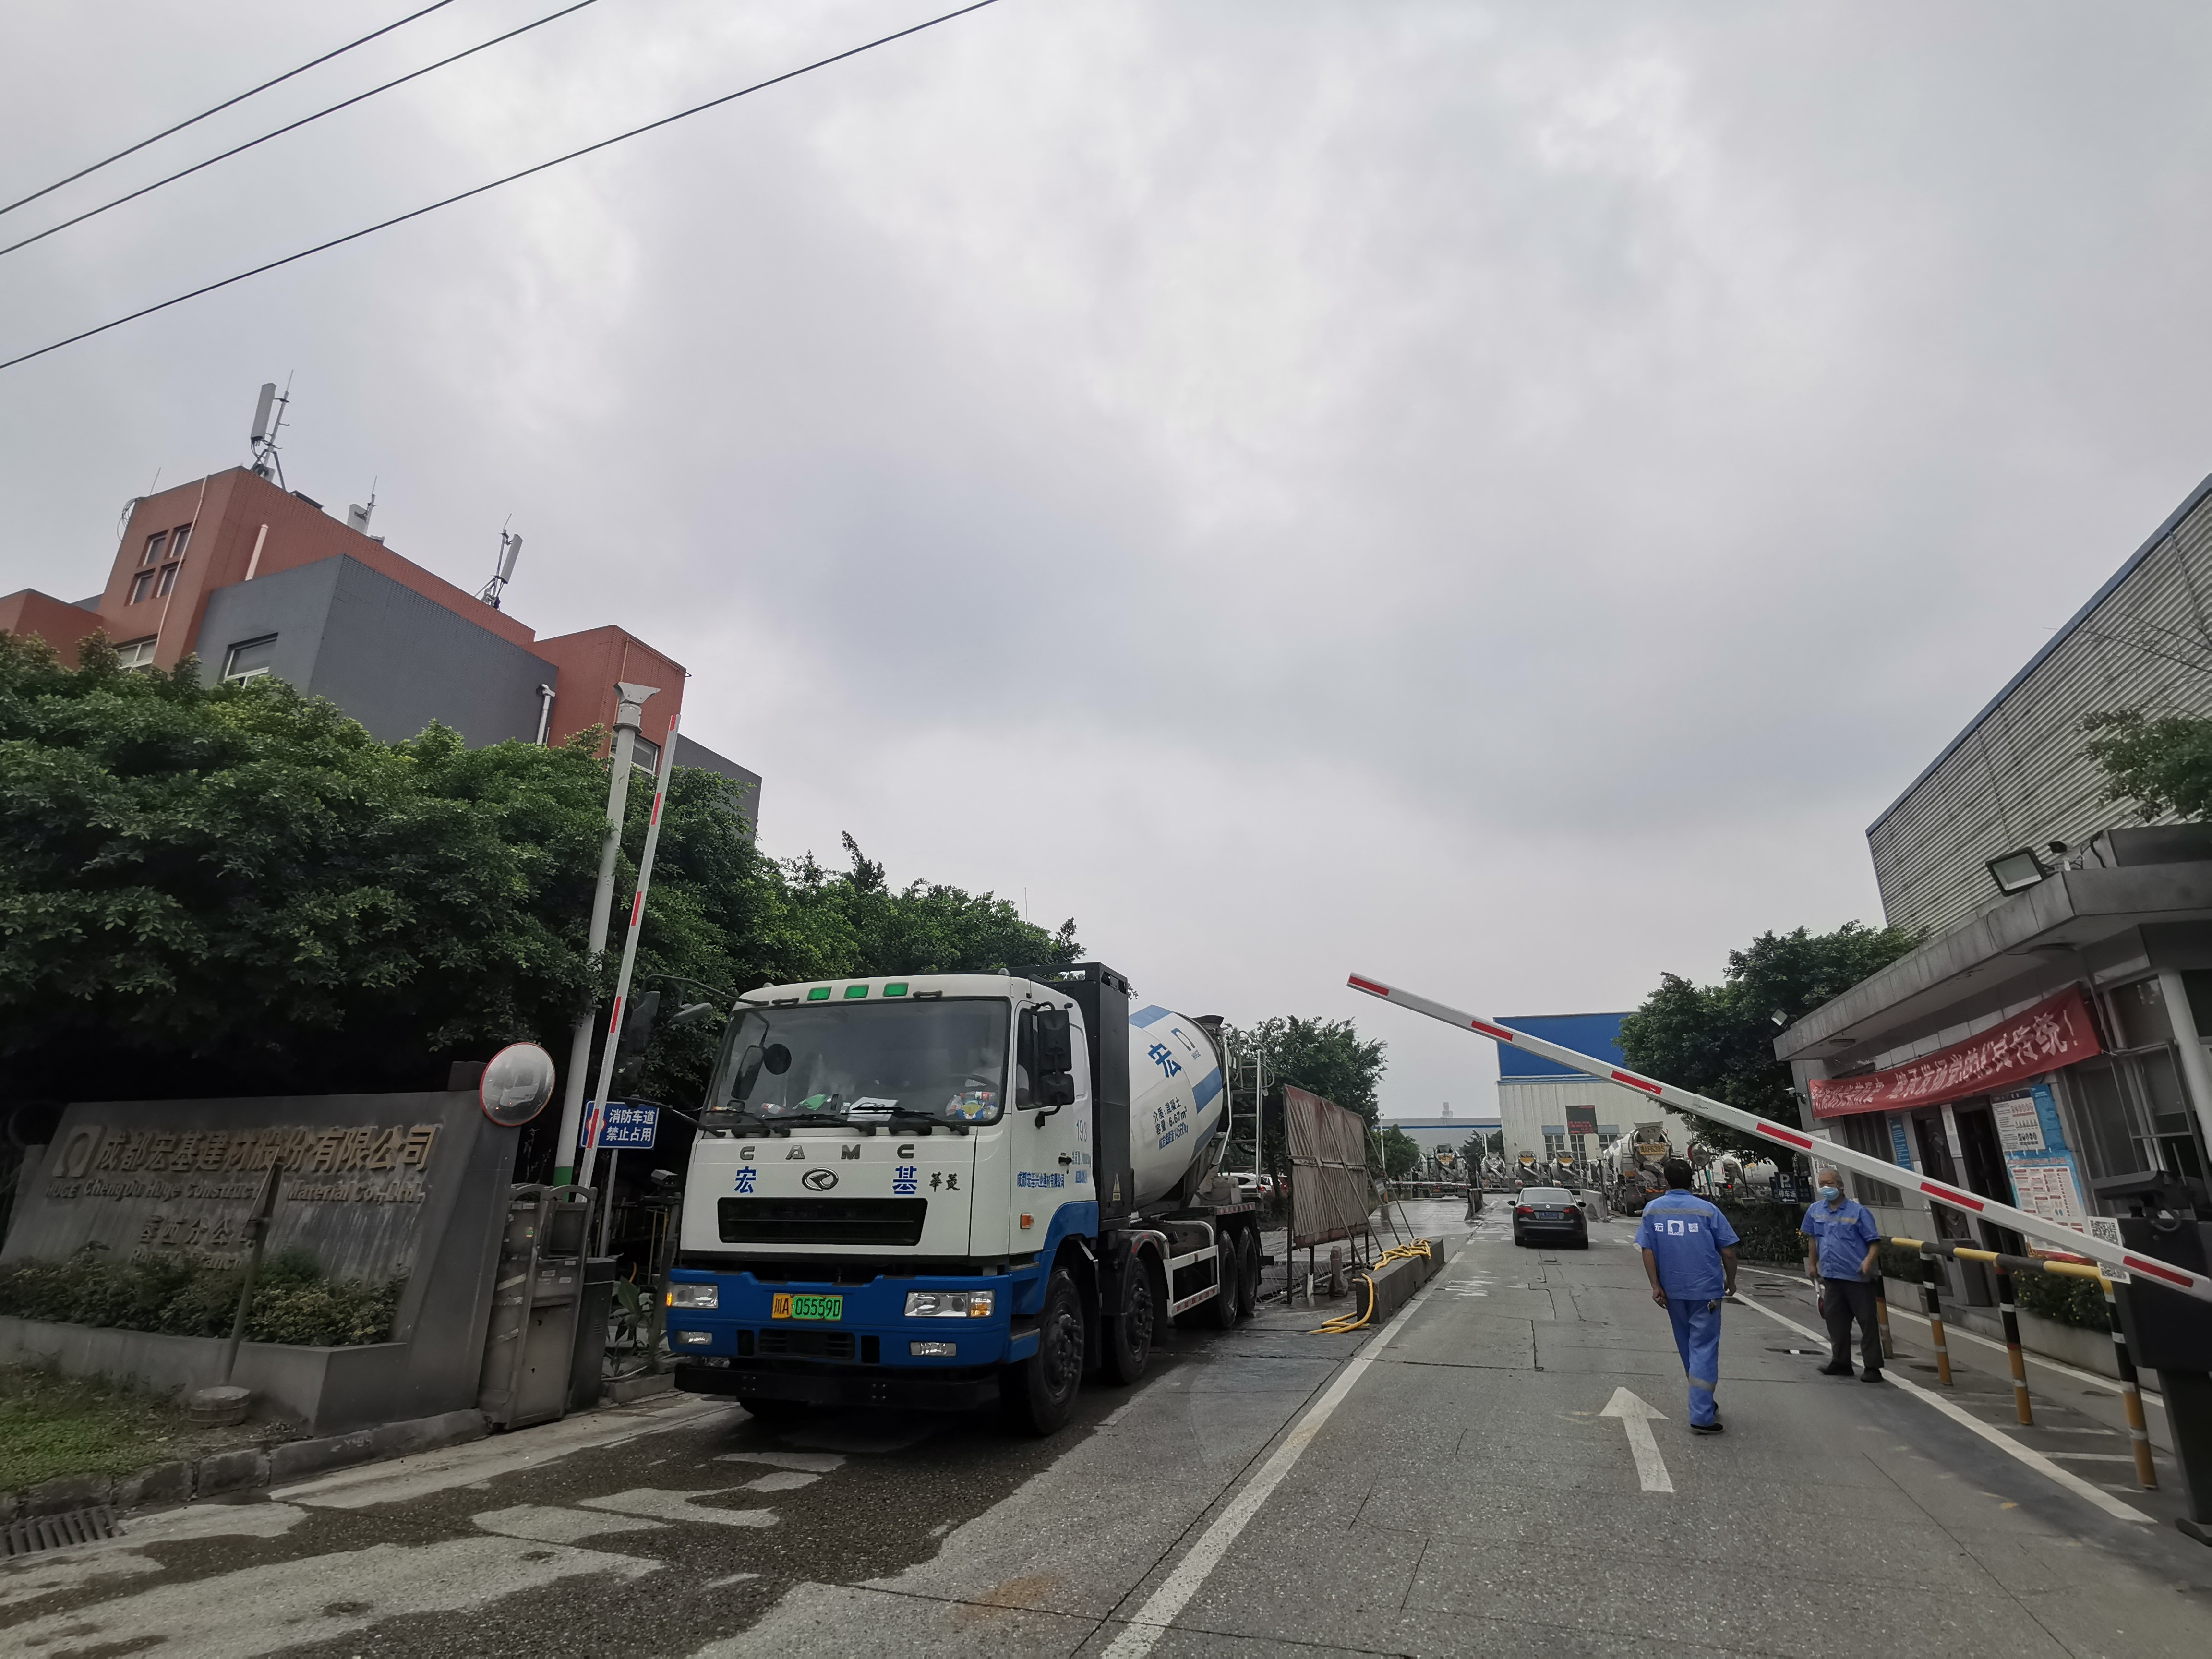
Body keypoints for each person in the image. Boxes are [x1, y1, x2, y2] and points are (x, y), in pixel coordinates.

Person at [1635, 1157, 1739, 1434]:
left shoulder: (1652, 1210)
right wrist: (1731, 1280)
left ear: (1665, 1181)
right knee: (1703, 1348)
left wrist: (1656, 1285)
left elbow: (1647, 1250)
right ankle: (1702, 1415)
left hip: (1673, 1291)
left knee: (1688, 1348)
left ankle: (1703, 1401)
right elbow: (1728, 1251)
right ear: (1692, 1180)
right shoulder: (1707, 1210)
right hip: (1705, 1291)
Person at [1802, 1166, 1884, 1381]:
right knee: (1835, 1322)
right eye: (1822, 1184)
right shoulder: (1815, 1210)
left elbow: (1874, 1242)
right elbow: (1813, 1239)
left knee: (1867, 1323)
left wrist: (1868, 1262)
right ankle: (1841, 1362)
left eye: (1829, 1184)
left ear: (1840, 1186)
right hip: (1831, 1276)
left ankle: (1873, 1367)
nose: (1826, 1188)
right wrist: (1812, 1265)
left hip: (1858, 1277)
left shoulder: (1859, 1212)